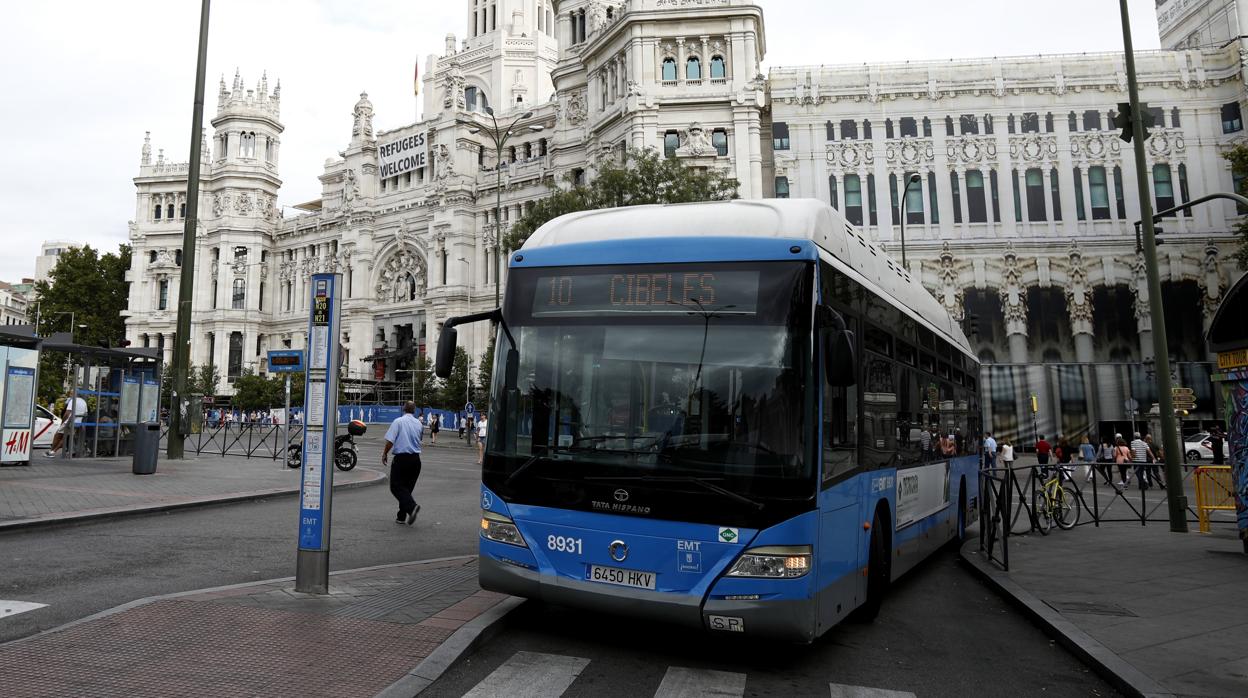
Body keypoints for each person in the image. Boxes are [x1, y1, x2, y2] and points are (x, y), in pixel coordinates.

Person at [381, 401, 424, 525]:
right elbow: (419, 439)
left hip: (401, 459)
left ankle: (412, 507)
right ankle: (401, 516)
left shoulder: (398, 421)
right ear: (414, 410)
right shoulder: (419, 424)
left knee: (396, 487)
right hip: (416, 460)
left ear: (403, 409)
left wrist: (385, 453)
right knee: (406, 489)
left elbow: (390, 441)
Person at [46, 393, 88, 458]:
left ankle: (52, 451)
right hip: (77, 423)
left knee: (58, 434)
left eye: (72, 393)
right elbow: (85, 414)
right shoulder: (84, 402)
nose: (71, 395)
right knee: (66, 437)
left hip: (69, 422)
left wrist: (62, 422)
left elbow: (67, 413)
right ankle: (53, 451)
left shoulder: (73, 400)